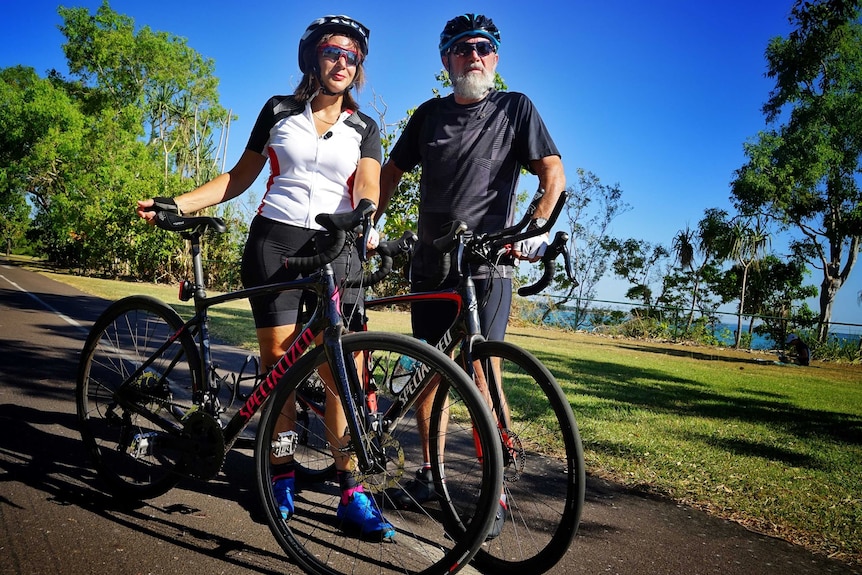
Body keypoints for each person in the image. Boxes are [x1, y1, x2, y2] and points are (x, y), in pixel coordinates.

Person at [136, 15, 394, 540]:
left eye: (352, 56)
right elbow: (239, 176)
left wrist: (365, 212)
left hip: (337, 244)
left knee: (338, 372)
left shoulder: (365, 127)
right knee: (279, 367)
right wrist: (177, 202)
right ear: (313, 59)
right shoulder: (278, 111)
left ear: (358, 67)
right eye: (332, 52)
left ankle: (351, 492)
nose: (342, 61)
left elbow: (368, 180)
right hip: (274, 242)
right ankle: (279, 476)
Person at [376, 13, 566, 538]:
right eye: (462, 49)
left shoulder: (514, 107)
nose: (473, 56)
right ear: (446, 61)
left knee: (484, 375)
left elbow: (551, 171)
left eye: (483, 48)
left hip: (488, 264)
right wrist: (373, 221)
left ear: (496, 58)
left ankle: (495, 489)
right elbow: (390, 172)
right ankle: (430, 476)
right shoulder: (428, 115)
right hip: (431, 264)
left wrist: (535, 225)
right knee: (430, 374)